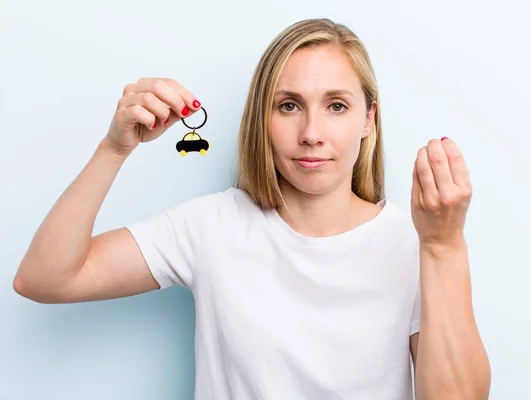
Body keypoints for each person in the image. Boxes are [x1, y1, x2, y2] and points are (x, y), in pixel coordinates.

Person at [13, 18, 490, 400]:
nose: (311, 133)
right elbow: (45, 278)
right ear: (262, 118)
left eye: (337, 106)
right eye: (288, 106)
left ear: (369, 119)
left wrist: (444, 245)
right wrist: (114, 149)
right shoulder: (211, 227)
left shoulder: (417, 244)